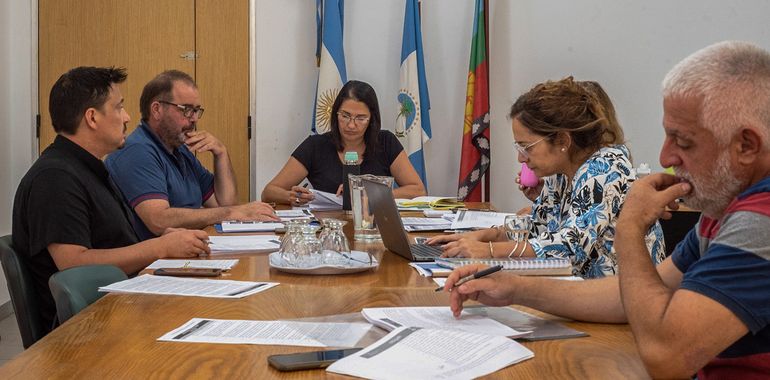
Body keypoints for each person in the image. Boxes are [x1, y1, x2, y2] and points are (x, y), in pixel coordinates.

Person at [443, 41, 770, 378]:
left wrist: (629, 225)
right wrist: (512, 287)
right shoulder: (724, 211)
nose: (665, 158)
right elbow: (624, 297)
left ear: (746, 145)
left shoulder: (760, 221)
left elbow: (666, 356)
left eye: (683, 141)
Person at [12, 67, 211, 333]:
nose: (127, 117)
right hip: (90, 329)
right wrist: (159, 247)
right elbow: (73, 264)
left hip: (123, 304)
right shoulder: (55, 178)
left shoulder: (89, 168)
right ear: (92, 118)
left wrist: (163, 244)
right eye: (118, 108)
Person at [429, 77, 666, 278]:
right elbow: (537, 225)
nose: (521, 159)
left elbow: (570, 247)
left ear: (563, 141)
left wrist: (489, 250)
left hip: (620, 305)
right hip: (580, 295)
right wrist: (481, 236)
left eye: (526, 147)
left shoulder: (605, 168)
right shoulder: (561, 171)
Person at [106, 70, 277, 240]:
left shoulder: (180, 150)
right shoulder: (137, 150)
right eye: (186, 110)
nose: (194, 118)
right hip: (152, 264)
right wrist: (232, 212)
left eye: (196, 110)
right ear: (157, 110)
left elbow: (224, 204)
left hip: (183, 253)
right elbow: (158, 220)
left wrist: (221, 153)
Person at [261, 80, 426, 206]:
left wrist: (370, 193)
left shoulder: (386, 142)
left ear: (372, 120)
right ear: (335, 114)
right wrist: (291, 196)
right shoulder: (316, 145)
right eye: (345, 116)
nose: (351, 124)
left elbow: (418, 190)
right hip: (328, 230)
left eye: (360, 118)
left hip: (373, 227)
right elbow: (269, 192)